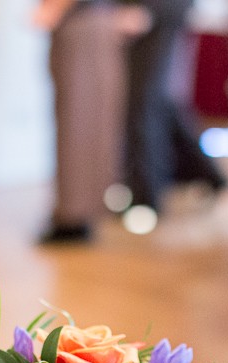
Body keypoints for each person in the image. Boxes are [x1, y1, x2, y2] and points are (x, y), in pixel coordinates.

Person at [35, 0, 149, 244]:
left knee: (79, 122)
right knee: (81, 120)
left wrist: (56, 6)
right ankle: (78, 212)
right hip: (87, 21)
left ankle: (75, 215)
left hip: (84, 22)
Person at [123, 0, 226, 225]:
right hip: (147, 13)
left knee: (145, 103)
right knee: (156, 103)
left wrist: (149, 11)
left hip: (158, 12)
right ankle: (207, 175)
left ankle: (147, 198)